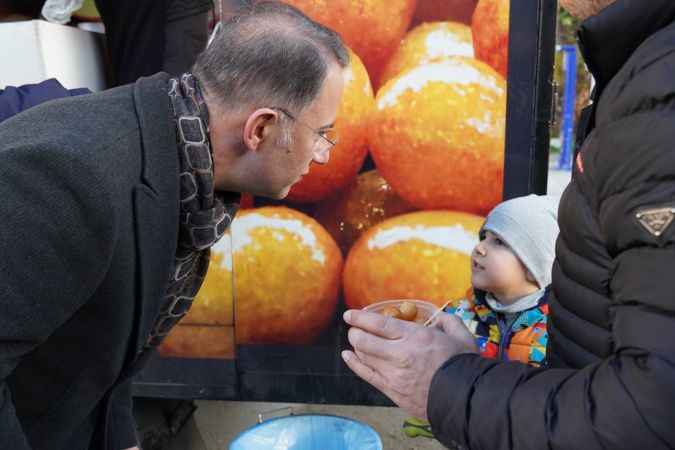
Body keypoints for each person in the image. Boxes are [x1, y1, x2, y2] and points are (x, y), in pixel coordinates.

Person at [0, 2, 348, 450]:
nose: (324, 154)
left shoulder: (190, 170)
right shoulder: (77, 177)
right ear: (260, 129)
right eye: (322, 133)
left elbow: (109, 353)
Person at [342, 0, 675, 448]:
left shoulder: (659, 97)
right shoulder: (643, 69)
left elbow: (651, 409)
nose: (480, 249)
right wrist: (468, 367)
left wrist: (449, 387)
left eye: (500, 241)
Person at [403, 194, 558, 439]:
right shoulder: (456, 315)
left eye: (499, 242)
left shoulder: (557, 329)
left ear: (533, 265)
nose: (479, 247)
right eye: (483, 236)